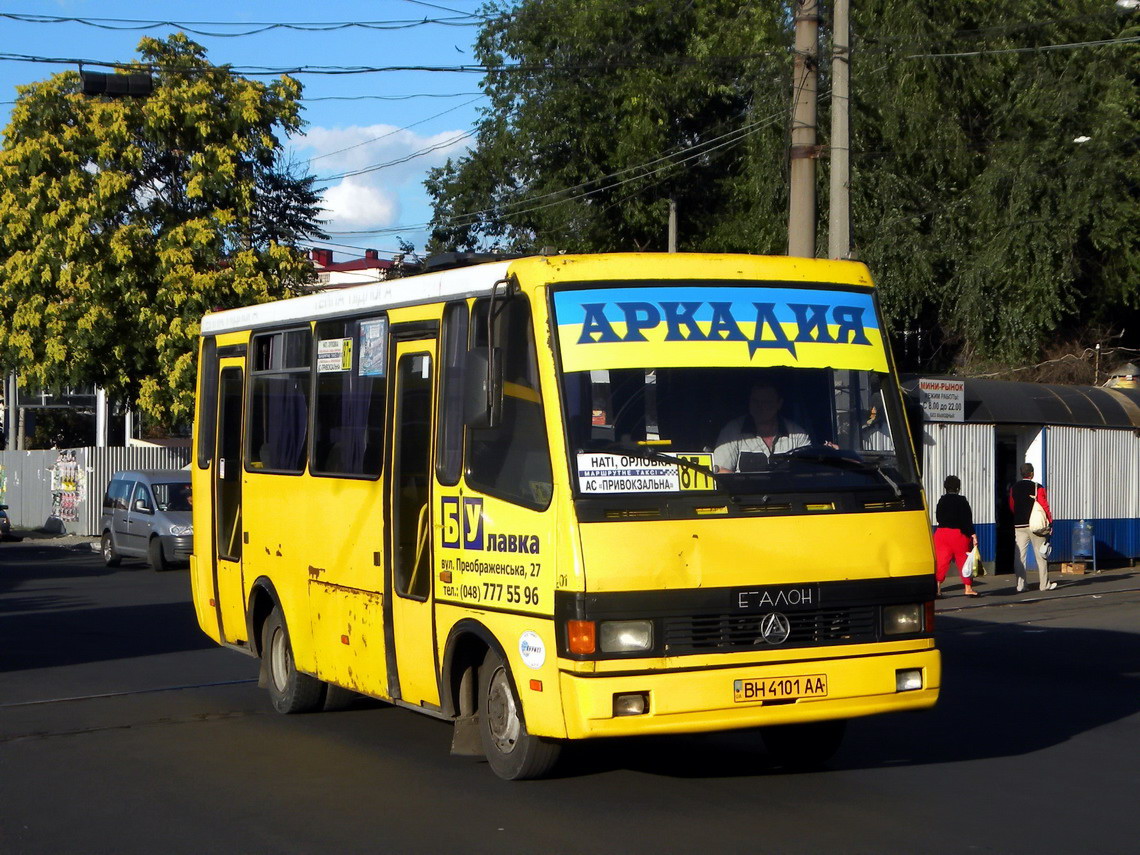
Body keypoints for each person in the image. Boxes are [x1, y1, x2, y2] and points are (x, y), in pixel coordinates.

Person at [713, 382, 810, 473]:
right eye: (755, 401)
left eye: (766, 402)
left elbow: (806, 473)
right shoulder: (732, 431)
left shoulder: (798, 435)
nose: (760, 407)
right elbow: (721, 471)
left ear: (779, 404)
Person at [1009, 462, 1055, 592]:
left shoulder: (1014, 488)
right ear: (1032, 473)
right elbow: (1044, 505)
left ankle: (1020, 585)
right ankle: (1044, 585)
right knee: (1041, 555)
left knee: (1020, 556)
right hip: (1036, 526)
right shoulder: (1037, 487)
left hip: (1019, 525)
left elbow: (1012, 506)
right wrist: (1050, 522)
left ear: (1021, 473)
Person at [933, 475, 979, 597]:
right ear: (958, 488)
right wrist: (973, 534)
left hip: (941, 534)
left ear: (945, 487)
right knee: (963, 561)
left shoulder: (941, 500)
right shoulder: (961, 501)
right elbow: (966, 520)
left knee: (941, 562)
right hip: (958, 535)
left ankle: (937, 588)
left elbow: (938, 517)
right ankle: (968, 588)